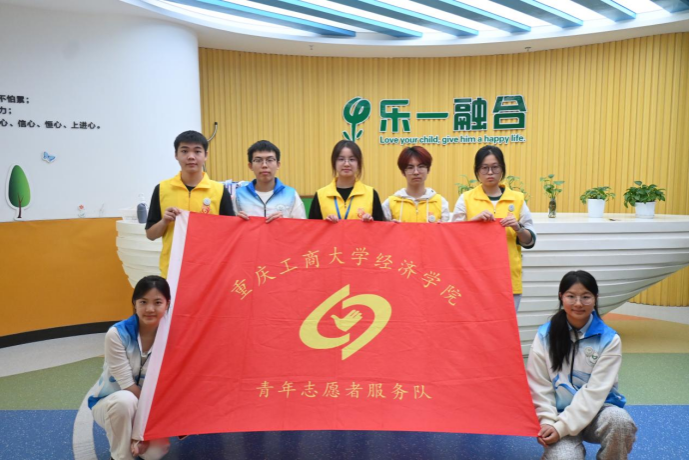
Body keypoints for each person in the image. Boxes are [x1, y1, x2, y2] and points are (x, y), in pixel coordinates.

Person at [526, 270, 637, 460]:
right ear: (561, 297)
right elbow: (539, 384)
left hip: (597, 412)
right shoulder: (545, 336)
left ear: (595, 298)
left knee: (620, 421)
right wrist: (548, 422)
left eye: (585, 297)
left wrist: (562, 427)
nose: (578, 303)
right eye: (571, 296)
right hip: (557, 416)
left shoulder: (609, 339)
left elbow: (595, 391)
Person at [89, 276, 174, 460]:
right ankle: (120, 456)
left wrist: (145, 430)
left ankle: (129, 438)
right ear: (134, 303)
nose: (150, 309)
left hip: (153, 410)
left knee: (154, 453)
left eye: (157, 302)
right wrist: (139, 430)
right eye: (143, 302)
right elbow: (127, 386)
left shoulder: (174, 338)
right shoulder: (117, 334)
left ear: (167, 304)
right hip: (113, 403)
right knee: (124, 401)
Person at [451, 145, 536, 310]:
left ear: (502, 169)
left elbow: (530, 241)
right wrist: (473, 222)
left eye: (495, 167)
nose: (490, 172)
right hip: (474, 279)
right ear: (477, 171)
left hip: (508, 279)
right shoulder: (466, 199)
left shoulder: (517, 199)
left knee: (506, 325)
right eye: (485, 168)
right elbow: (454, 238)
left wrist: (518, 228)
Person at [145, 130, 234, 278]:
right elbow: (150, 235)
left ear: (205, 155)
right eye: (184, 151)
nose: (191, 156)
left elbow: (230, 236)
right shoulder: (162, 189)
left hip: (209, 272)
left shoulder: (219, 191)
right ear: (176, 155)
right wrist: (164, 221)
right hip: (172, 271)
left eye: (197, 151)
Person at [308, 140, 385, 222]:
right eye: (341, 159)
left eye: (352, 159)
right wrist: (326, 225)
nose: (346, 164)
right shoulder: (320, 195)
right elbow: (312, 228)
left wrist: (370, 224)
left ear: (359, 163)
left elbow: (381, 228)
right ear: (334, 162)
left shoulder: (371, 194)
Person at [234, 140, 305, 221]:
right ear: (250, 166)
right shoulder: (239, 195)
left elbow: (301, 226)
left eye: (270, 160)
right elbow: (229, 226)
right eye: (258, 160)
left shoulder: (291, 194)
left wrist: (284, 222)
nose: (264, 165)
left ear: (278, 165)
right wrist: (236, 221)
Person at [382, 146, 450, 223]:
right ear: (403, 172)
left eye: (421, 166)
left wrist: (442, 227)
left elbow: (447, 230)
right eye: (410, 167)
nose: (416, 172)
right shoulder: (390, 203)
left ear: (428, 170)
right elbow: (380, 229)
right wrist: (389, 227)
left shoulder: (440, 203)